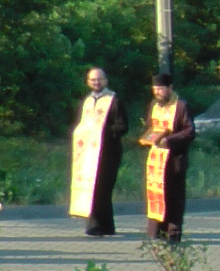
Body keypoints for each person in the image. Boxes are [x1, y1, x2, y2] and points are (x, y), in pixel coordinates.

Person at [69, 66, 128, 237]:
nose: (96, 82)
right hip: (88, 154)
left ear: (106, 80)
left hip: (108, 152)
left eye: (99, 79)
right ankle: (106, 226)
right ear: (88, 82)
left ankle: (96, 226)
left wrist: (102, 131)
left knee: (102, 188)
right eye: (93, 80)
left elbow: (122, 126)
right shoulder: (87, 101)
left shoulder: (114, 100)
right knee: (92, 187)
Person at [140, 73, 194, 243]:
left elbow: (189, 131)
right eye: (155, 89)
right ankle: (157, 230)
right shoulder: (154, 105)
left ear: (170, 88)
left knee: (174, 197)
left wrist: (168, 140)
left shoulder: (181, 106)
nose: (158, 92)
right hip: (156, 160)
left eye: (161, 89)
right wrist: (148, 138)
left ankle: (173, 232)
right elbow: (151, 126)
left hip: (174, 160)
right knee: (157, 194)